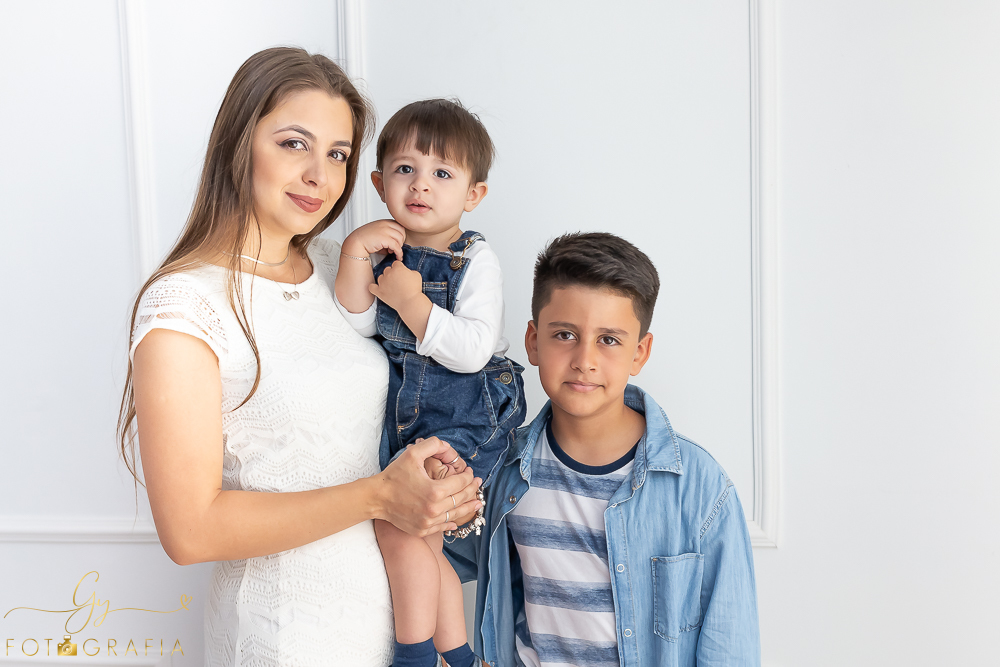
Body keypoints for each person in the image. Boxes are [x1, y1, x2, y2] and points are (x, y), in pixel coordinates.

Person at [117, 48, 483, 667]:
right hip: (288, 639)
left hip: (396, 630)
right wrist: (379, 496)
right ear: (239, 143)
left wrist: (434, 483)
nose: (320, 174)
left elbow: (374, 428)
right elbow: (190, 530)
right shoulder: (186, 304)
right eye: (294, 143)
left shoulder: (343, 267)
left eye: (338, 154)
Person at [447, 233, 761, 666]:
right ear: (533, 341)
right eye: (565, 334)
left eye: (609, 340)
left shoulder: (701, 487)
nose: (584, 359)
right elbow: (446, 556)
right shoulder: (502, 469)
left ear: (640, 352)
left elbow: (732, 645)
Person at [334, 98, 527, 667]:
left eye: (442, 174)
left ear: (473, 195)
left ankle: (415, 652)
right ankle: (458, 655)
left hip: (470, 415)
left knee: (399, 529)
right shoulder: (384, 252)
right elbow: (358, 322)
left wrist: (412, 302)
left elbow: (471, 351)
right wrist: (352, 254)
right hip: (413, 422)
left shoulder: (475, 259)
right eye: (404, 170)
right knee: (421, 538)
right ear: (378, 182)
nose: (421, 186)